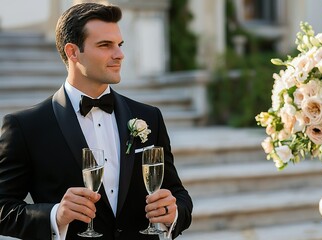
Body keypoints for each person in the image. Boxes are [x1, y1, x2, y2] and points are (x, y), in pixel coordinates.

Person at [0, 2, 192, 240]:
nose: (119, 54)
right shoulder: (26, 126)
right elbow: (3, 209)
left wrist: (173, 212)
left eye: (119, 45)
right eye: (105, 45)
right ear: (72, 52)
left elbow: (178, 194)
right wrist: (55, 215)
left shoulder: (148, 117)